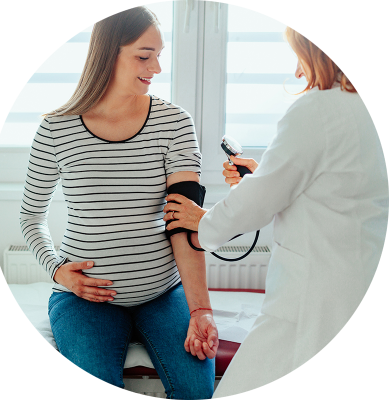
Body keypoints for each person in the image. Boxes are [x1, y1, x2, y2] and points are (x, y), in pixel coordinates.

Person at [163, 26, 389, 397]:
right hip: (355, 277)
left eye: (298, 55)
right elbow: (330, 188)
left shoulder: (317, 108)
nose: (298, 70)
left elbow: (260, 203)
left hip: (313, 300)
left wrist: (203, 222)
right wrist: (261, 177)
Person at [19, 7, 218, 398]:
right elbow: (30, 215)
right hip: (84, 298)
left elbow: (183, 222)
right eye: (144, 56)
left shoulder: (175, 122)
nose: (157, 67)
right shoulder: (55, 128)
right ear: (108, 53)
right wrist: (59, 272)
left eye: (160, 54)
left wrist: (200, 310)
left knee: (196, 392)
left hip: (162, 293)